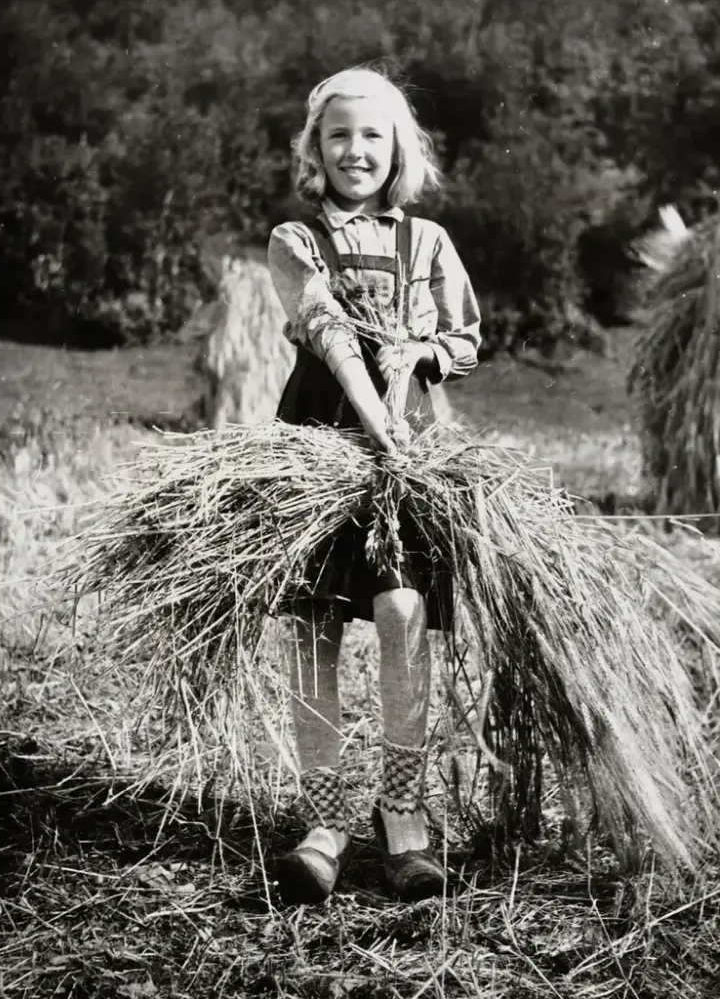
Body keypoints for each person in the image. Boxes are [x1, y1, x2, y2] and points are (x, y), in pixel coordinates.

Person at [267, 66, 481, 905]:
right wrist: (371, 408)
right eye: (337, 135)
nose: (355, 150)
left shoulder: (424, 242)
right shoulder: (295, 240)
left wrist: (420, 358)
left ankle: (403, 815)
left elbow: (464, 337)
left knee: (401, 611)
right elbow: (325, 333)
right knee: (314, 626)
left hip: (409, 458)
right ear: (315, 150)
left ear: (397, 148)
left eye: (371, 135)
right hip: (318, 450)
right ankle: (323, 823)